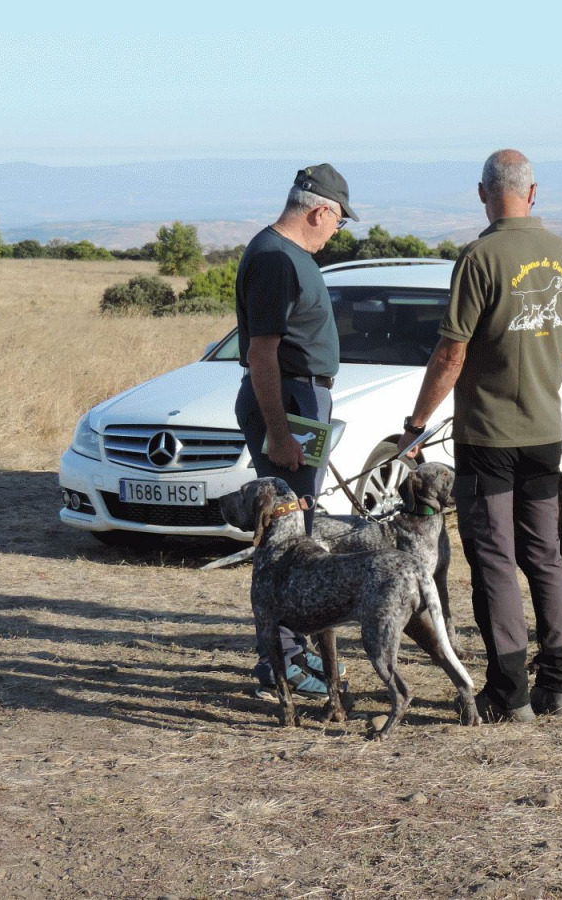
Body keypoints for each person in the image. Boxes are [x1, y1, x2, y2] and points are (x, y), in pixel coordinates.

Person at [400, 149, 562, 722]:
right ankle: (560, 683)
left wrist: (417, 423)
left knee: (496, 560)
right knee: (545, 554)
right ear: (533, 192)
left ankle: (509, 694)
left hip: (489, 437)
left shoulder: (478, 257)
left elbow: (451, 352)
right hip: (545, 432)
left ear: (482, 193)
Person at [234, 163, 359, 699]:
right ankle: (281, 662)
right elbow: (261, 354)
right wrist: (281, 433)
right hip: (288, 400)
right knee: (288, 539)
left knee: (299, 529)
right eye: (339, 221)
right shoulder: (275, 259)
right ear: (319, 211)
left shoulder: (288, 256)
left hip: (301, 398)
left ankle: (290, 651)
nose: (337, 231)